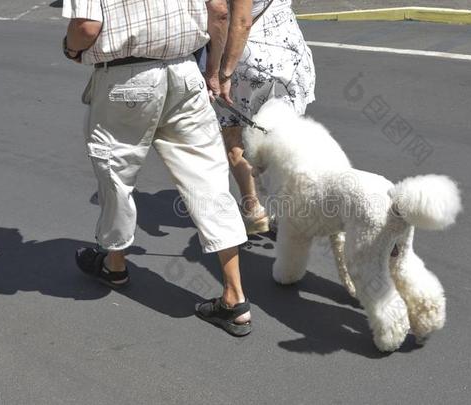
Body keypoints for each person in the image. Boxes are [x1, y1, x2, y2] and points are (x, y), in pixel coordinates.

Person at [62, 0, 252, 336]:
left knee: (116, 175)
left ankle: (115, 264)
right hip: (185, 72)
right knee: (209, 180)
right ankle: (235, 296)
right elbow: (220, 11)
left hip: (126, 77)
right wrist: (214, 73)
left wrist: (70, 48)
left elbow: (86, 28)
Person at [210, 0, 316, 234]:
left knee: (234, 131)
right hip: (288, 50)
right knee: (286, 137)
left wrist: (224, 73)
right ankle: (289, 212)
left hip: (249, 57)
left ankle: (253, 209)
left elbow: (240, 21)